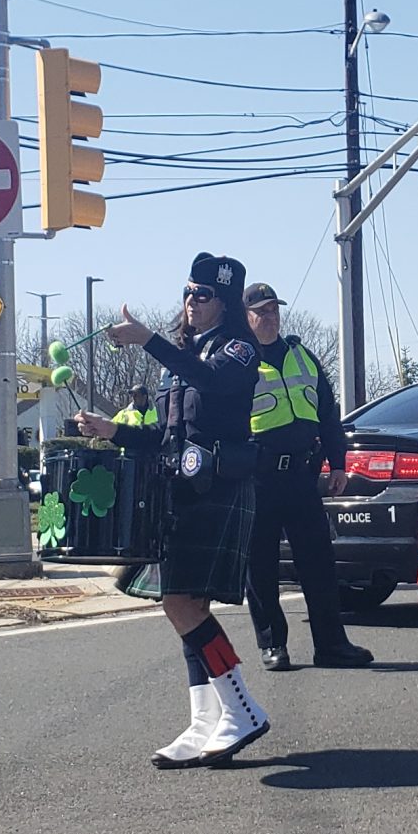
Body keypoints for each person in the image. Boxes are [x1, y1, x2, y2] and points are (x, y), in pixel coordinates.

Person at [92, 255, 269, 768]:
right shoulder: (183, 357)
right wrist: (114, 432)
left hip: (216, 487)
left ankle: (240, 709)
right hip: (179, 489)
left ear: (225, 303)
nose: (192, 301)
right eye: (189, 291)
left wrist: (148, 339)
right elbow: (167, 436)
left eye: (204, 295)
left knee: (181, 604)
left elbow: (211, 383)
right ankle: (203, 721)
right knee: (185, 606)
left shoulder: (238, 350)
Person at [241, 281, 373, 672]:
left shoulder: (303, 356)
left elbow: (329, 416)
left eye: (274, 310)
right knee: (261, 566)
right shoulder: (239, 360)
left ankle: (332, 645)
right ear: (246, 317)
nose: (270, 317)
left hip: (301, 475)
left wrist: (338, 463)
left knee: (318, 563)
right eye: (261, 311)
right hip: (258, 477)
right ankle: (272, 645)